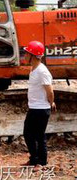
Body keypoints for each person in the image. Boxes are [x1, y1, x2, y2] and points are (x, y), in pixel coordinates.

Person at [22, 40, 55, 168]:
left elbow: (50, 91)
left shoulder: (42, 71)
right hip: (35, 108)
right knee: (29, 134)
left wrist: (51, 103)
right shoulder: (34, 69)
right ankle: (35, 159)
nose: (24, 55)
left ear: (32, 55)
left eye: (26, 53)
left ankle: (41, 161)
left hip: (40, 109)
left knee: (39, 136)